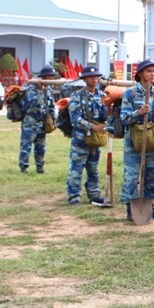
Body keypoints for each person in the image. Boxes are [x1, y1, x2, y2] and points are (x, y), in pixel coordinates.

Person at [120, 59, 154, 221]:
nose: (152, 74)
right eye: (149, 71)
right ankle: (131, 208)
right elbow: (124, 118)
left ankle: (149, 206)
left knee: (152, 175)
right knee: (132, 176)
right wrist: (138, 113)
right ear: (140, 74)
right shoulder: (130, 93)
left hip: (152, 140)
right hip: (134, 141)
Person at [66, 66, 108, 206]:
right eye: (91, 77)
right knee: (76, 169)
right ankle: (74, 196)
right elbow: (75, 119)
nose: (94, 79)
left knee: (93, 168)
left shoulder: (102, 95)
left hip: (96, 138)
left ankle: (94, 194)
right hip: (81, 138)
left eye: (96, 77)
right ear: (84, 79)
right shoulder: (76, 96)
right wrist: (92, 126)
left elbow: (105, 115)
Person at [19, 65, 57, 174]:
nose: (52, 79)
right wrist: (40, 91)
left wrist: (54, 119)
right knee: (26, 146)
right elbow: (34, 103)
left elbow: (51, 106)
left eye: (53, 77)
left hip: (42, 123)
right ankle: (24, 168)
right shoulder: (32, 89)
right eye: (50, 77)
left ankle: (40, 167)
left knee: (41, 147)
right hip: (30, 122)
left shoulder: (49, 90)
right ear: (44, 77)